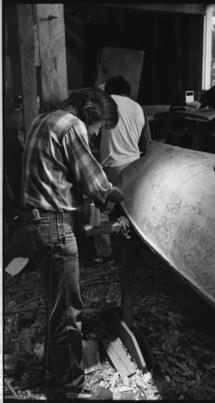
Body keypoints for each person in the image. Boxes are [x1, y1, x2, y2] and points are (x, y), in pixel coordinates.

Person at [21, 87, 125, 400]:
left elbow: (61, 176)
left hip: (36, 224)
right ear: (92, 114)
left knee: (57, 308)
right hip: (53, 226)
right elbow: (92, 180)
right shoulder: (72, 125)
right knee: (67, 313)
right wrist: (115, 194)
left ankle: (58, 375)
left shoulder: (43, 120)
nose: (96, 134)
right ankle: (70, 391)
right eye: (100, 127)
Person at [93, 76, 151, 263]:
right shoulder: (138, 107)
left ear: (108, 92)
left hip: (113, 165)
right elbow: (145, 142)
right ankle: (140, 252)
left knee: (100, 210)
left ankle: (105, 253)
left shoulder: (105, 105)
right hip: (135, 165)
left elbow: (94, 134)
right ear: (127, 91)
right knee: (135, 210)